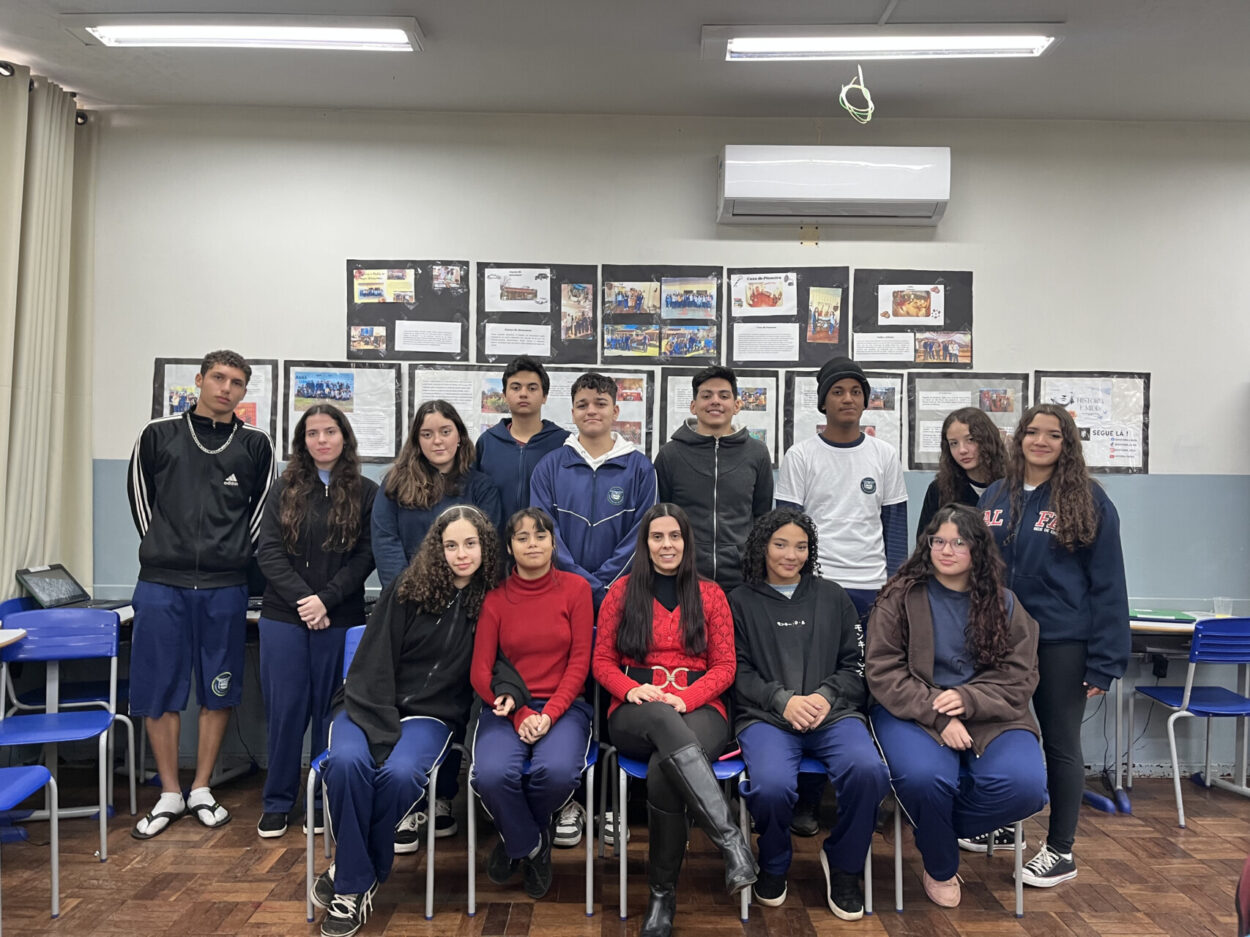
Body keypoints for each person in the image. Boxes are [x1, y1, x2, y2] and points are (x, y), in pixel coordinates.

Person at [311, 506, 499, 937]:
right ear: (438, 548)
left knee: (399, 774)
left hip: (433, 716)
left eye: (470, 543)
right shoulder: (408, 589)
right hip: (365, 705)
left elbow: (494, 667)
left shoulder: (492, 601)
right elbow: (370, 663)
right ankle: (355, 885)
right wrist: (382, 727)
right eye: (451, 545)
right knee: (345, 764)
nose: (461, 554)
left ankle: (349, 877)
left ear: (485, 546)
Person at [865, 504, 1047, 908]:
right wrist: (938, 711)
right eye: (938, 541)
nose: (946, 551)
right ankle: (941, 862)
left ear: (978, 549)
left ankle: (926, 827)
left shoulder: (1007, 604)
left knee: (1027, 788)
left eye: (959, 543)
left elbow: (1021, 675)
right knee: (925, 780)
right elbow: (881, 671)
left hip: (993, 713)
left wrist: (968, 699)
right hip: (913, 710)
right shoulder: (900, 597)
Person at [127, 349, 275, 839]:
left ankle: (202, 788)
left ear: (244, 391)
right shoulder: (158, 434)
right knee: (159, 690)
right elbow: (140, 500)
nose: (226, 388)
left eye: (236, 382)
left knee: (219, 687)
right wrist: (163, 551)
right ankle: (170, 792)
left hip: (225, 588)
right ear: (199, 380)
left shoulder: (256, 445)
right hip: (161, 586)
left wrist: (228, 558)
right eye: (218, 377)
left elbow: (259, 517)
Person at [979, 403, 1129, 887]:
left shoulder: (1087, 499)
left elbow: (1109, 583)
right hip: (1000, 638)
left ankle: (1060, 849)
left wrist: (1106, 661)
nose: (1040, 441)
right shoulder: (996, 495)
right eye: (1032, 432)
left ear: (1068, 444)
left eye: (1053, 435)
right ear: (1018, 437)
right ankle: (1005, 826)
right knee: (1003, 732)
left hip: (1062, 640)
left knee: (1061, 742)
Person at [592, 504, 756, 937]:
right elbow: (602, 661)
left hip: (701, 708)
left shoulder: (711, 594)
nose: (667, 545)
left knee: (666, 768)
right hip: (633, 710)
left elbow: (725, 667)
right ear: (645, 544)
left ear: (687, 541)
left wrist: (685, 698)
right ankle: (730, 841)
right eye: (657, 537)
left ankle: (662, 896)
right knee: (662, 724)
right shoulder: (622, 592)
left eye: (675, 537)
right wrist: (631, 690)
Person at [730, 508, 889, 919]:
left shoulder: (834, 598)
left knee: (869, 770)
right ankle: (774, 861)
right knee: (770, 786)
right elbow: (735, 671)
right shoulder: (740, 602)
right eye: (780, 544)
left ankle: (845, 865)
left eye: (801, 546)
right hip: (767, 718)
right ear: (762, 547)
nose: (791, 554)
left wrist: (824, 696)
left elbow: (856, 666)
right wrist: (783, 700)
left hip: (832, 714)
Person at [775, 355, 906, 834]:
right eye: (838, 391)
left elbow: (894, 526)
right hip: (816, 591)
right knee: (813, 685)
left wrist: (895, 585)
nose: (847, 399)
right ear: (823, 400)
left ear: (866, 400)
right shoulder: (801, 455)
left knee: (869, 692)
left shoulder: (883, 455)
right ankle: (807, 802)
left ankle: (867, 798)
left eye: (855, 391)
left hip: (873, 589)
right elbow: (785, 527)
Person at [530, 370, 657, 846]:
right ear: (573, 410)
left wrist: (603, 584)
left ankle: (611, 805)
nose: (591, 411)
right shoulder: (551, 466)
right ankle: (570, 801)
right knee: (571, 697)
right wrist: (582, 584)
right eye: (583, 404)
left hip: (620, 600)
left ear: (616, 410)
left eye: (600, 403)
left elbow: (643, 534)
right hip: (562, 601)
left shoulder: (639, 467)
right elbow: (543, 532)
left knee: (614, 700)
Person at [373, 398, 502, 845]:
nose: (437, 441)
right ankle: (406, 801)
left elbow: (487, 540)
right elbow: (386, 543)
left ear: (459, 436)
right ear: (416, 440)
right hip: (411, 608)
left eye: (445, 431)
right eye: (427, 434)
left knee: (451, 700)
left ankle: (443, 794)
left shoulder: (480, 486)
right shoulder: (395, 485)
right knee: (410, 701)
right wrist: (410, 595)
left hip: (467, 608)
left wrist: (455, 591)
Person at [254, 404, 377, 839]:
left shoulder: (367, 491)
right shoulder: (281, 489)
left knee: (332, 715)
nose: (321, 440)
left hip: (340, 616)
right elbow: (268, 552)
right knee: (286, 712)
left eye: (329, 431)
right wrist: (305, 600)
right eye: (312, 433)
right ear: (302, 442)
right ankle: (277, 802)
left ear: (344, 437)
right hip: (283, 617)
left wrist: (325, 600)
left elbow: (365, 557)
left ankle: (322, 801)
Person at [469, 507, 594, 899]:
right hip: (508, 709)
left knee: (557, 773)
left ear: (553, 542)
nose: (532, 544)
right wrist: (522, 713)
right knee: (489, 775)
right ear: (510, 547)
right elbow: (480, 672)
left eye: (540, 536)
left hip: (565, 706)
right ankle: (534, 845)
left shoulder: (576, 590)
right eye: (522, 538)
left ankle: (514, 840)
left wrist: (550, 713)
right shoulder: (495, 599)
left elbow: (579, 664)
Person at [654, 365, 773, 591]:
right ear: (693, 406)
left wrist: (755, 565)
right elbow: (661, 515)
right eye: (706, 396)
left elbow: (762, 516)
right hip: (684, 576)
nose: (715, 401)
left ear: (737, 405)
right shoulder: (670, 455)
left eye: (724, 395)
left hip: (742, 579)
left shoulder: (757, 453)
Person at [474, 356, 570, 524]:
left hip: (545, 546)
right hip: (496, 545)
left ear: (545, 396)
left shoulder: (563, 443)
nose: (523, 394)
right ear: (504, 395)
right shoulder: (487, 443)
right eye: (516, 387)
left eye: (532, 388)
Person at [916, 407, 1008, 537]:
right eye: (954, 443)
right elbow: (925, 542)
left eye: (970, 440)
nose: (962, 450)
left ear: (988, 440)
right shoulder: (939, 489)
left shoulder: (1011, 486)